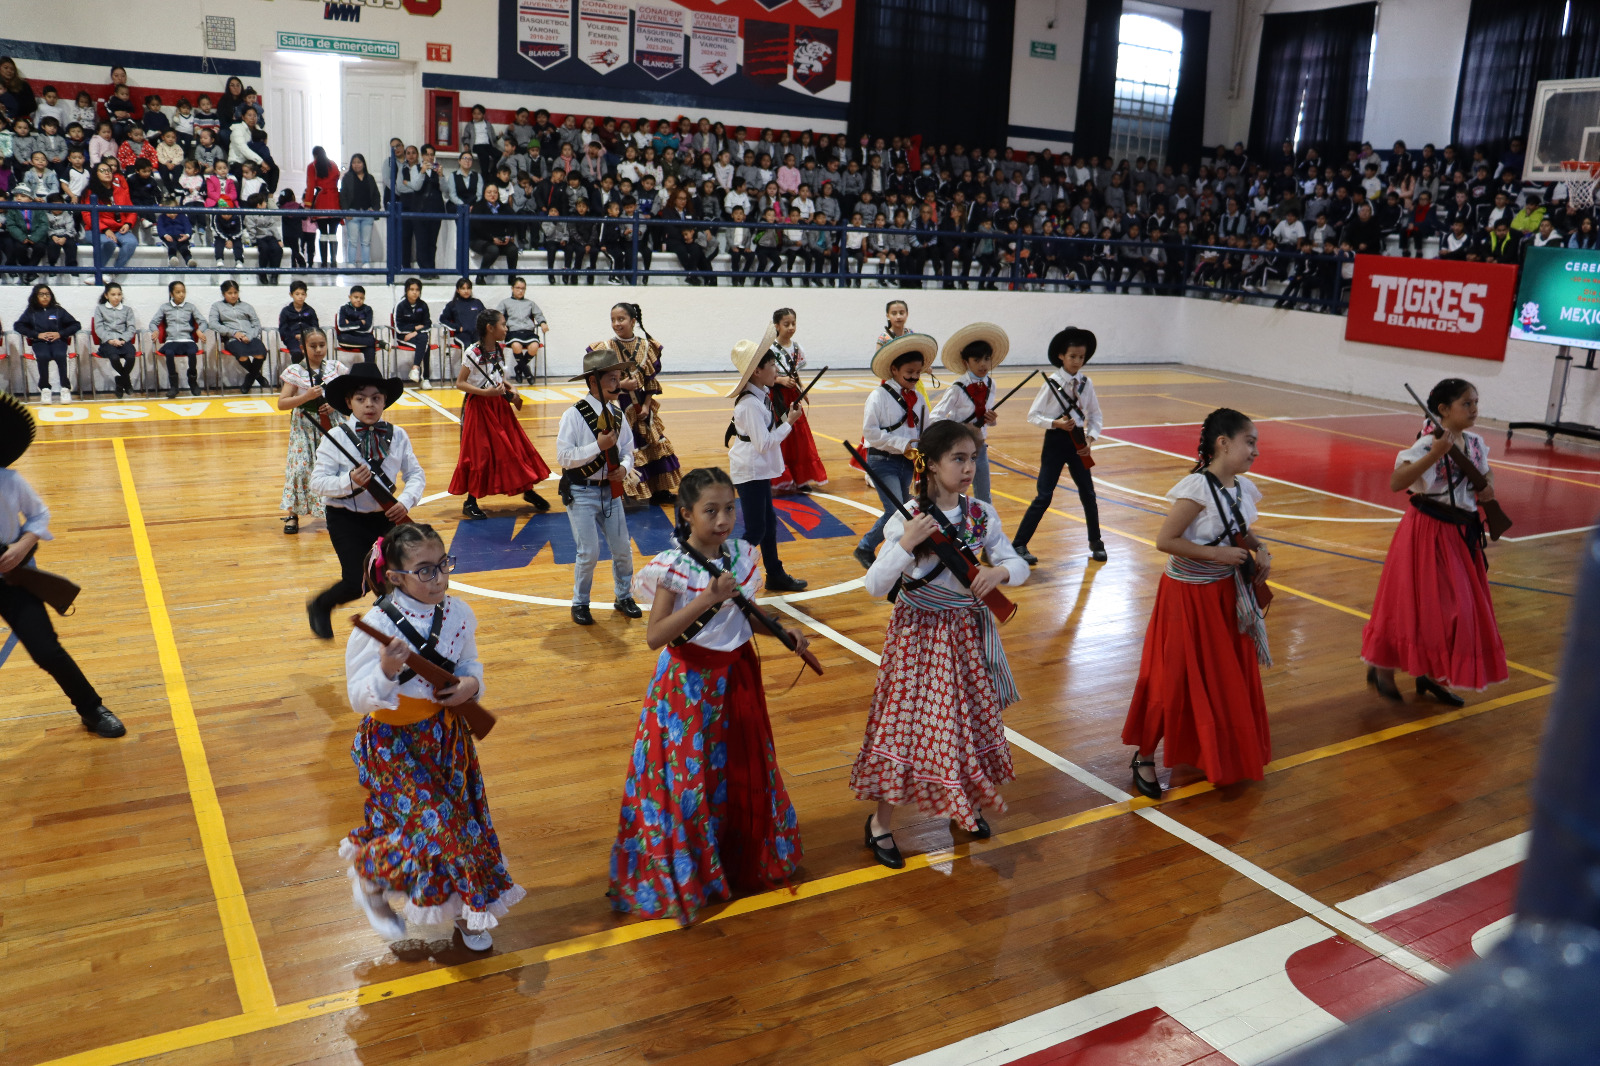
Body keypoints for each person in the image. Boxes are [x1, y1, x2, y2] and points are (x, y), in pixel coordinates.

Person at [608, 466, 807, 925]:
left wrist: (782, 631)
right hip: (685, 689)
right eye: (711, 511)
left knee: (732, 768)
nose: (723, 520)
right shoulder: (673, 567)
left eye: (730, 509)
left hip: (734, 679)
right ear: (686, 515)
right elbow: (655, 636)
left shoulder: (741, 554)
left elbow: (744, 615)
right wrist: (706, 599)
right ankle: (687, 869)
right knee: (687, 782)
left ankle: (730, 853)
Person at [853, 419, 1029, 867]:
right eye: (958, 458)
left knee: (964, 724)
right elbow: (875, 586)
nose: (969, 467)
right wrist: (905, 544)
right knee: (906, 728)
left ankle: (962, 807)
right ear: (930, 465)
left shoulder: (981, 514)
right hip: (917, 637)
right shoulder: (905, 519)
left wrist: (999, 572)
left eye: (973, 458)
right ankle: (881, 824)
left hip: (965, 636)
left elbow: (1013, 559)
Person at [342, 522, 523, 951]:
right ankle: (372, 876)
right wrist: (386, 670)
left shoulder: (458, 612)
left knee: (464, 824)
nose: (439, 578)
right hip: (393, 745)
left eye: (443, 565)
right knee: (443, 831)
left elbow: (471, 663)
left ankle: (466, 913)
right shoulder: (375, 624)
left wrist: (470, 687)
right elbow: (357, 698)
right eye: (425, 570)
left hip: (447, 739)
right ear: (396, 577)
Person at [1121, 408, 1273, 799]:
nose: (1255, 450)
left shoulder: (1240, 487)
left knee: (1222, 674)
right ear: (1224, 444)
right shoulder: (1195, 488)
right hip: (1187, 597)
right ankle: (1144, 755)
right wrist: (1221, 557)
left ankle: (1214, 749)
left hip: (1223, 595)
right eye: (1249, 441)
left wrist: (1260, 547)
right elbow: (1165, 541)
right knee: (1171, 674)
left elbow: (1238, 529)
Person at [1361, 378, 1507, 704]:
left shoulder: (1474, 442)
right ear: (1443, 410)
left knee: (1454, 610)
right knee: (1416, 606)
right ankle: (1383, 667)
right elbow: (1398, 482)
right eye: (1466, 403)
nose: (1473, 409)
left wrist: (1488, 487)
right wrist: (1435, 454)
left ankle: (1432, 674)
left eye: (1475, 402)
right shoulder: (1427, 444)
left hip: (1460, 534)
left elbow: (1485, 471)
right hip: (1426, 532)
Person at [0, 392, 124, 738]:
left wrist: (23, 544)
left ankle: (91, 708)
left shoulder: (9, 481)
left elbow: (39, 514)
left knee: (46, 650)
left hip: (10, 578)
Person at [306, 363, 424, 640]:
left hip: (387, 517)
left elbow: (415, 475)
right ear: (349, 403)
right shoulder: (335, 438)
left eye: (376, 398)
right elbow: (317, 483)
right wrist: (349, 481)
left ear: (385, 401)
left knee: (399, 576)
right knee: (357, 583)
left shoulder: (398, 435)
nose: (369, 405)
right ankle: (320, 605)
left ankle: (396, 629)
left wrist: (405, 501)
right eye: (361, 399)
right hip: (345, 517)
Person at [556, 340, 642, 626]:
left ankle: (623, 596)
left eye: (618, 379)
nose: (618, 385)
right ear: (593, 381)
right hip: (581, 492)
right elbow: (564, 458)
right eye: (612, 379)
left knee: (623, 550)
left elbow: (629, 450)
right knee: (588, 552)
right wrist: (597, 446)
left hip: (611, 492)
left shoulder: (618, 415)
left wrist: (625, 469)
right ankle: (580, 602)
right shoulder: (573, 415)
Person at [1011, 327, 1107, 565]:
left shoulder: (1086, 383)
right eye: (1072, 356)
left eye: (1081, 357)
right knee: (1044, 496)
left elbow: (1095, 416)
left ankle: (1096, 542)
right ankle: (1019, 544)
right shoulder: (1052, 383)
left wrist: (1091, 440)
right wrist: (1055, 423)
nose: (1077, 361)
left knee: (1089, 494)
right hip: (1055, 442)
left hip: (1079, 442)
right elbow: (1033, 415)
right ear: (1062, 356)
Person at [726, 329, 810, 594]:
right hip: (750, 470)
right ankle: (732, 579)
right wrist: (790, 423)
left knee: (768, 524)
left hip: (757, 469)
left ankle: (774, 574)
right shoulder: (749, 404)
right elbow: (763, 444)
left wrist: (786, 419)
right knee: (756, 529)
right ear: (756, 372)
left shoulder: (759, 395)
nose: (776, 370)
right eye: (772, 365)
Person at [450, 308, 553, 521]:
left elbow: (497, 376)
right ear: (490, 328)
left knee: (515, 446)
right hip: (480, 407)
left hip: (498, 405)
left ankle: (527, 490)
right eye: (503, 325)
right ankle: (470, 502)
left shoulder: (498, 348)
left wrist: (511, 389)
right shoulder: (473, 352)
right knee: (481, 454)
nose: (506, 328)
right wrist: (485, 393)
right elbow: (460, 383)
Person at [852, 332, 934, 569]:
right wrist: (902, 444)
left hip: (907, 463)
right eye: (909, 372)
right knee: (896, 510)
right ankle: (866, 547)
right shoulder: (877, 396)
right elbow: (870, 433)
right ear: (894, 369)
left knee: (905, 509)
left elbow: (925, 430)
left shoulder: (918, 398)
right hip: (881, 460)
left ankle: (897, 552)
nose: (915, 377)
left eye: (918, 373)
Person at [608, 302, 682, 504]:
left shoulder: (648, 346)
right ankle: (628, 492)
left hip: (642, 405)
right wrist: (622, 384)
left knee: (652, 443)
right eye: (613, 320)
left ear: (633, 321)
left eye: (621, 319)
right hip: (618, 406)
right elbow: (598, 381)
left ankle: (659, 491)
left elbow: (650, 380)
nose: (616, 323)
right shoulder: (606, 347)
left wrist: (648, 405)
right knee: (625, 447)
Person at [277, 327, 347, 536]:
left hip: (332, 424)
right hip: (304, 426)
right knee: (299, 470)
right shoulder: (295, 372)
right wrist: (305, 397)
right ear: (302, 348)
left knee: (336, 468)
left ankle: (338, 513)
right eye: (313, 346)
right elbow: (282, 403)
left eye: (322, 345)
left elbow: (350, 397)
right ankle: (293, 514)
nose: (318, 350)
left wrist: (335, 405)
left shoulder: (337, 368)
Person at [929, 323, 1007, 504]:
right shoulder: (957, 388)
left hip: (980, 447)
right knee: (953, 493)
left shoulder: (991, 384)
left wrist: (992, 420)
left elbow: (986, 415)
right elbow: (935, 416)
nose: (983, 364)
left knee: (984, 495)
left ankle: (985, 531)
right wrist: (960, 428)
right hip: (958, 450)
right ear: (966, 362)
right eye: (977, 360)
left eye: (987, 359)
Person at [767, 307, 828, 492]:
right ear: (777, 326)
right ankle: (782, 478)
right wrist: (779, 380)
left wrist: (802, 389)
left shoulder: (797, 348)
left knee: (800, 436)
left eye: (793, 323)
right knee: (783, 435)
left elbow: (796, 373)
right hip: (777, 398)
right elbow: (763, 376)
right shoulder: (769, 349)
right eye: (786, 324)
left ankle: (801, 478)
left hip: (793, 396)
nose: (791, 327)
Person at [14, 283, 80, 405]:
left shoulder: (58, 310)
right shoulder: (31, 312)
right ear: (36, 296)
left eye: (47, 294)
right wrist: (36, 334)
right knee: (43, 356)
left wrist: (60, 333)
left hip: (58, 341)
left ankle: (65, 388)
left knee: (60, 355)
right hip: (39, 342)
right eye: (41, 294)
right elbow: (18, 325)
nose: (45, 297)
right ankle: (45, 388)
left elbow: (76, 324)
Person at [207, 279, 270, 394]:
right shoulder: (217, 306)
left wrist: (250, 336)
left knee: (261, 354)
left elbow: (256, 325)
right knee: (243, 356)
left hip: (250, 336)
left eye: (235, 292)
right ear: (223, 294)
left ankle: (249, 379)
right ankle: (258, 377)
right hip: (232, 339)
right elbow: (213, 324)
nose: (233, 295)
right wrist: (234, 333)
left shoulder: (247, 306)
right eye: (230, 293)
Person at [149, 280, 207, 400]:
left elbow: (203, 321)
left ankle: (192, 381)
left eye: (183, 292)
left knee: (192, 353)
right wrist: (155, 330)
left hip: (187, 340)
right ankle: (174, 386)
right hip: (171, 340)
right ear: (171, 294)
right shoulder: (165, 307)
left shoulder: (190, 307)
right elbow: (153, 322)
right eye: (178, 292)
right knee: (169, 353)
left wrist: (199, 330)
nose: (181, 294)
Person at [93, 282, 140, 399]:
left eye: (119, 294)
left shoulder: (127, 310)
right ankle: (126, 381)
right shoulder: (100, 309)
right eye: (113, 294)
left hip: (123, 341)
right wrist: (109, 340)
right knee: (114, 357)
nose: (116, 297)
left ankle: (120, 381)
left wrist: (123, 339)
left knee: (130, 356)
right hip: (107, 342)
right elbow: (98, 328)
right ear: (106, 296)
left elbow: (131, 328)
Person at [498, 276, 547, 384]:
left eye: (523, 288)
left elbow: (538, 315)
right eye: (518, 288)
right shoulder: (505, 302)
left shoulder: (530, 303)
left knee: (534, 346)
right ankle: (527, 373)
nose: (520, 291)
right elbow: (498, 316)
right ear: (512, 288)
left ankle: (519, 369)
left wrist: (543, 323)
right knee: (516, 345)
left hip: (528, 332)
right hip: (513, 332)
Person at [338, 153, 380, 267]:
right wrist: (346, 211)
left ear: (363, 164)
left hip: (367, 213)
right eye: (354, 162)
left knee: (366, 242)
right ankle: (351, 263)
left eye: (359, 162)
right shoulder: (347, 177)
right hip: (352, 213)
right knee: (352, 241)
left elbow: (376, 195)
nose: (356, 165)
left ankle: (366, 263)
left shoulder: (369, 178)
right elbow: (343, 195)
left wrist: (375, 209)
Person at [305, 146, 342, 270]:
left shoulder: (312, 166)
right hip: (335, 200)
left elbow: (310, 186)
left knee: (323, 234)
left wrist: (308, 204)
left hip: (321, 200)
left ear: (314, 155)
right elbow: (337, 177)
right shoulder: (333, 164)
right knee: (333, 234)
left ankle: (324, 262)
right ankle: (334, 261)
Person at [393, 277, 434, 388]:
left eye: (417, 290)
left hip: (417, 336)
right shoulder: (400, 305)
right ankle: (425, 378)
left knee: (424, 341)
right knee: (425, 344)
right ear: (406, 291)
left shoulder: (423, 305)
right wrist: (415, 328)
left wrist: (415, 332)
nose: (415, 292)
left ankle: (416, 369)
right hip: (403, 338)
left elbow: (428, 324)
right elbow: (398, 327)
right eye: (412, 289)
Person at [440, 276, 487, 354]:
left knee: (482, 344)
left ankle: (483, 366)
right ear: (458, 290)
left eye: (468, 288)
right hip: (462, 334)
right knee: (468, 346)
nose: (466, 291)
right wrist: (457, 328)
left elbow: (486, 316)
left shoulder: (477, 302)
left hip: (476, 333)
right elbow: (443, 319)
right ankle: (467, 366)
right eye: (463, 288)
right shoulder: (452, 304)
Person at [278, 280, 320, 364]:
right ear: (291, 295)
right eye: (297, 294)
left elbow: (315, 327)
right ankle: (298, 374)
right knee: (297, 352)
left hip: (308, 339)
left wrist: (306, 335)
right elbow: (283, 329)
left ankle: (312, 374)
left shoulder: (310, 310)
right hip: (292, 339)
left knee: (315, 351)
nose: (300, 297)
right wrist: (294, 336)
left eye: (303, 294)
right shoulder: (286, 311)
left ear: (306, 295)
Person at [335, 285, 376, 364]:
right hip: (349, 338)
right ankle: (377, 343)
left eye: (361, 298)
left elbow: (368, 328)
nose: (358, 300)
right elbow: (341, 327)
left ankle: (369, 373)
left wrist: (349, 324)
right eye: (356, 297)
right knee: (343, 338)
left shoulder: (368, 309)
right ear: (350, 297)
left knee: (370, 346)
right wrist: (360, 323)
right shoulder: (343, 309)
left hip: (363, 337)